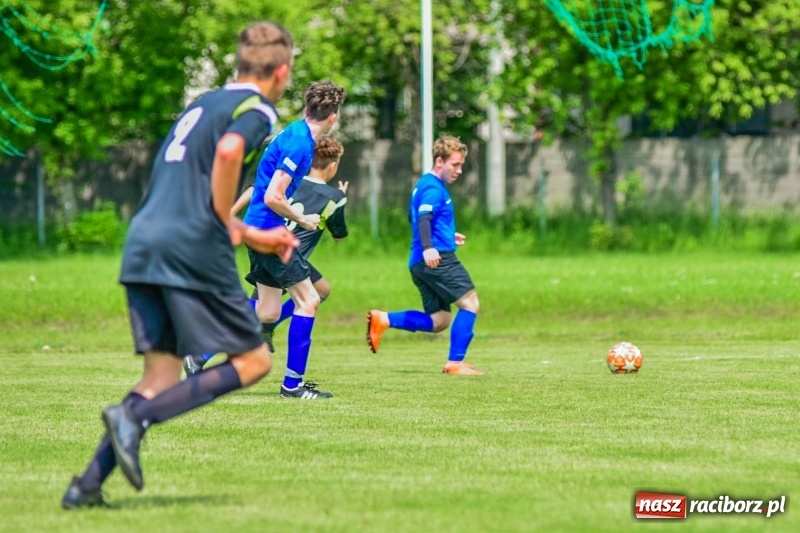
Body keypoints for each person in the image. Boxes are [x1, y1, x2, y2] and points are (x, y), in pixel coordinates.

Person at [61, 21, 298, 509]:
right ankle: (135, 420)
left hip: (145, 239)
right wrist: (224, 220)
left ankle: (85, 486)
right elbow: (232, 151)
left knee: (159, 380)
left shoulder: (202, 104)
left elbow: (182, 175)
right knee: (254, 361)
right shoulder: (255, 109)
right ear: (282, 70)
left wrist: (249, 233)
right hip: (190, 245)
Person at [184, 135, 349, 375]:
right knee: (288, 306)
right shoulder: (334, 198)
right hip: (285, 256)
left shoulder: (289, 181)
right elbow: (339, 236)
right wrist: (341, 196)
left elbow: (255, 190)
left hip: (265, 244)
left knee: (300, 298)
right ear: (333, 166)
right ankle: (288, 378)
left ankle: (212, 349)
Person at [241, 81, 346, 399]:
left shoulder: (291, 132)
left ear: (306, 109)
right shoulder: (300, 144)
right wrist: (302, 219)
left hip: (257, 229)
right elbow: (273, 195)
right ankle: (293, 385)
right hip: (271, 232)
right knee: (310, 300)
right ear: (334, 117)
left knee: (269, 312)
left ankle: (201, 350)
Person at [366, 136, 483, 376]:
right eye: (455, 165)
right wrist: (430, 246)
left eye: (461, 165)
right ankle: (454, 364)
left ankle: (384, 319)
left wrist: (448, 235)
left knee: (439, 320)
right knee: (470, 303)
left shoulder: (424, 184)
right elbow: (422, 218)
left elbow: (417, 218)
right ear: (439, 161)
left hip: (420, 260)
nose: (459, 170)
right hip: (435, 258)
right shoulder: (432, 187)